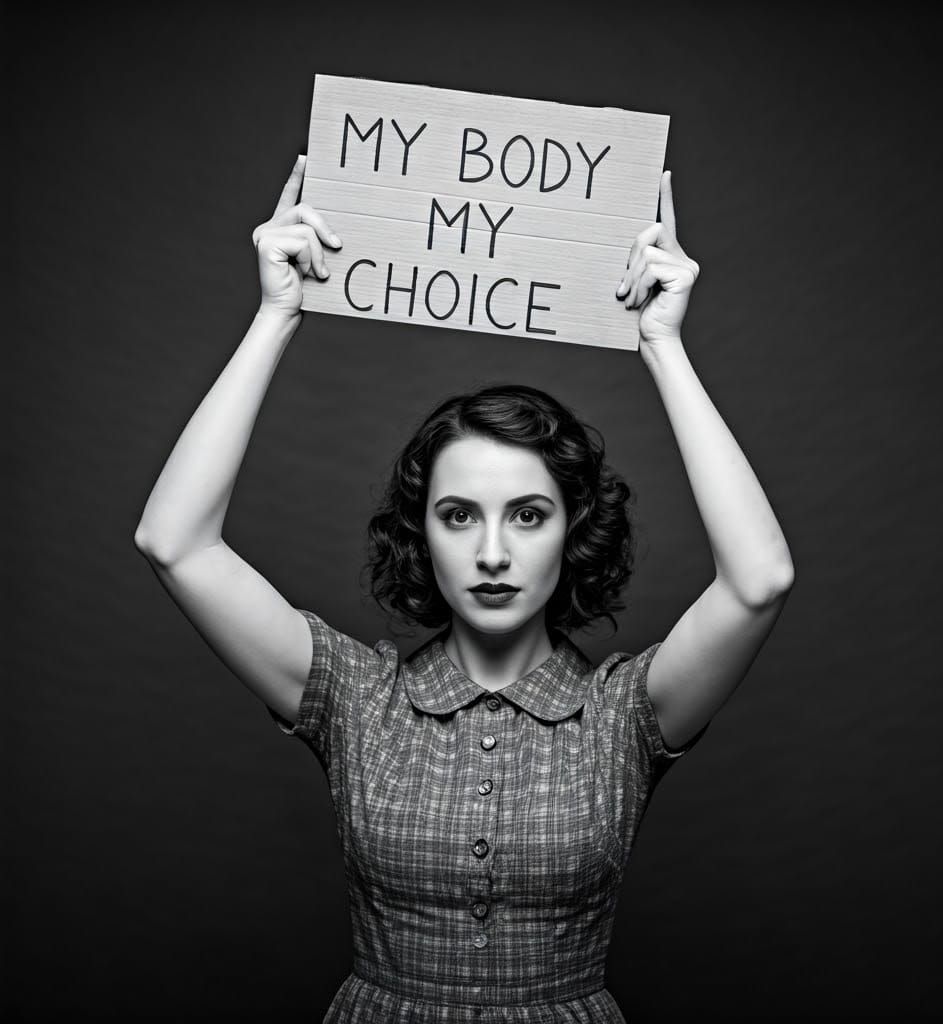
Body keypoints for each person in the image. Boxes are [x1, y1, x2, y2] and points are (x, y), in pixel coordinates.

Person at [134, 153, 794, 1023]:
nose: (491, 552)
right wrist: (274, 315)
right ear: (422, 534)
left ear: (573, 531)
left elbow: (760, 581)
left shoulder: (625, 715)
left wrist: (662, 345)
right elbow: (174, 542)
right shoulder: (356, 699)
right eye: (458, 516)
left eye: (527, 516)